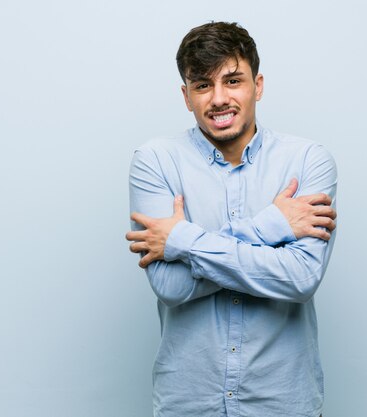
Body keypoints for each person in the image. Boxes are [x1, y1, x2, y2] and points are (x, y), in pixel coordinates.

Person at [126, 21, 337, 417]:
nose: (219, 98)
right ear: (186, 96)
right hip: (189, 403)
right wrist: (271, 227)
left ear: (257, 86)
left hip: (283, 403)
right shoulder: (155, 161)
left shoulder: (308, 160)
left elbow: (300, 278)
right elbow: (170, 286)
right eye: (203, 85)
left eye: (233, 81)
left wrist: (182, 241)